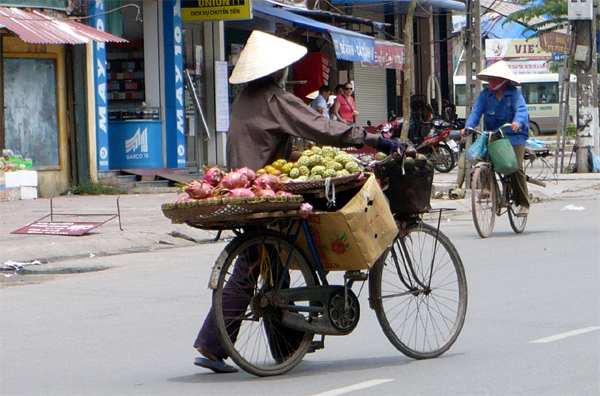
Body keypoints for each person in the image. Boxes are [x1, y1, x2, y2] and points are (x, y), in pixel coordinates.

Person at [193, 30, 403, 374]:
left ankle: (286, 348)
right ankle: (213, 344)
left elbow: (266, 142)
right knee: (252, 266)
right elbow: (321, 127)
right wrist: (374, 140)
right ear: (276, 70)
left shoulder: (246, 97)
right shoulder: (275, 99)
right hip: (263, 190)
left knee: (272, 266)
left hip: (251, 184)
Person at [461, 60, 531, 217]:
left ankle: (524, 203)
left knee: (515, 166)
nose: (491, 81)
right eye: (490, 78)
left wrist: (517, 122)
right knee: (481, 157)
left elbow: (521, 110)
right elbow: (476, 112)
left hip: (515, 135)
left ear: (503, 80)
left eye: (495, 78)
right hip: (494, 133)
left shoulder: (514, 94)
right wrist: (468, 128)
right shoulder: (486, 95)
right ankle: (487, 188)